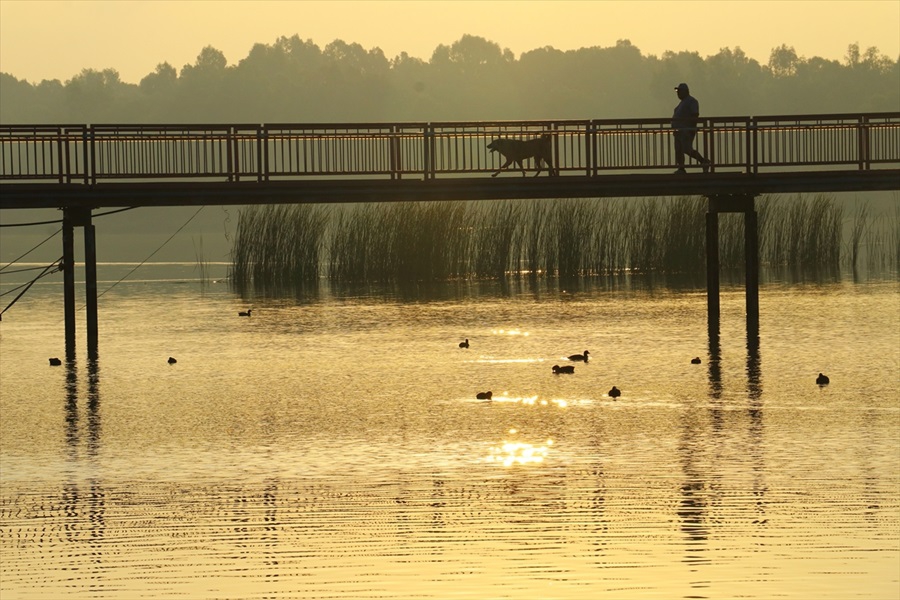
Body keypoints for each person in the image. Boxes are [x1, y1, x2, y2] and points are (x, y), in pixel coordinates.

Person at [671, 83, 710, 174]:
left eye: (680, 91)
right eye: (677, 91)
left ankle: (703, 161)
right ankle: (681, 168)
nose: (678, 93)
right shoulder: (682, 102)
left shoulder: (692, 101)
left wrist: (691, 129)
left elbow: (695, 115)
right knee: (679, 150)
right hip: (678, 131)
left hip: (686, 130)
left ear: (686, 91)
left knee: (686, 149)